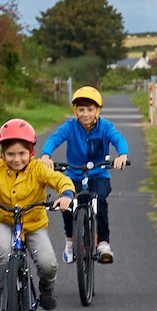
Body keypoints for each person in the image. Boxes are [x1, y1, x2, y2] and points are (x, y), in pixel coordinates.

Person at [0, 118, 74, 311]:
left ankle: (47, 289)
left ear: (31, 152)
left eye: (22, 153)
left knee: (48, 264)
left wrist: (66, 194)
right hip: (7, 222)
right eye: (10, 154)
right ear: (2, 154)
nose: (16, 159)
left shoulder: (38, 168)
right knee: (2, 254)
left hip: (34, 224)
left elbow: (59, 180)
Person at [39, 85, 129, 264]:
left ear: (98, 110)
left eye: (90, 109)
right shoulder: (70, 127)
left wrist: (122, 155)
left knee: (100, 201)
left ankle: (103, 243)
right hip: (74, 173)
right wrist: (46, 155)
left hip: (99, 174)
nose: (85, 114)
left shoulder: (105, 126)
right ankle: (70, 241)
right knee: (66, 202)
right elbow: (54, 138)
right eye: (81, 109)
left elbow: (117, 138)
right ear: (75, 111)